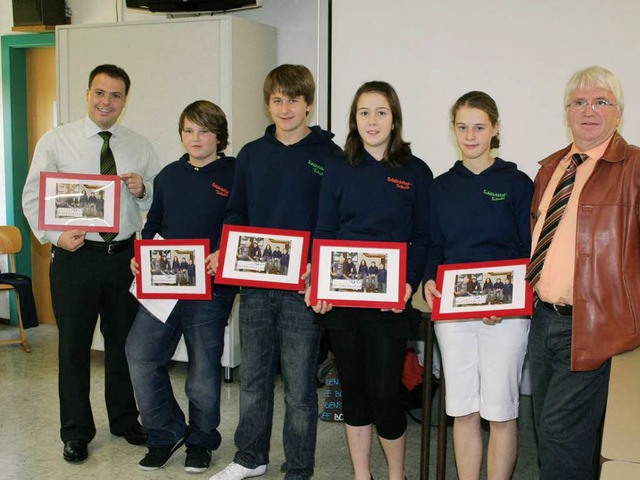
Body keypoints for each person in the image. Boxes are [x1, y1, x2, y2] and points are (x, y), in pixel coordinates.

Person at [21, 64, 161, 463]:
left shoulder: (139, 145)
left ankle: (123, 419)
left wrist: (143, 190)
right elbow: (33, 198)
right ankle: (76, 431)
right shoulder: (56, 141)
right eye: (100, 93)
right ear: (87, 94)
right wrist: (54, 237)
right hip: (75, 259)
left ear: (125, 101)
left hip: (124, 259)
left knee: (123, 345)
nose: (106, 102)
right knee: (74, 348)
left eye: (115, 95)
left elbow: (157, 203)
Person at [209, 64, 339, 480]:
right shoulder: (250, 154)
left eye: (294, 99)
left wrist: (316, 264)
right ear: (268, 103)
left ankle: (298, 468)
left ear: (309, 103)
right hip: (255, 284)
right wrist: (225, 252)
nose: (285, 108)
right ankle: (250, 457)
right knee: (253, 380)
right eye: (277, 100)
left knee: (300, 389)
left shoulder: (329, 156)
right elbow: (236, 213)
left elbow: (332, 220)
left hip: (302, 287)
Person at [310, 80, 432, 480]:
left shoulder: (415, 171)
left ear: (394, 118)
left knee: (385, 393)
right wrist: (321, 285)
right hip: (342, 303)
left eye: (381, 111)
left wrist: (408, 285)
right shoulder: (338, 167)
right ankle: (363, 475)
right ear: (354, 119)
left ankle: (396, 474)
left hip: (390, 303)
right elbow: (325, 229)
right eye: (364, 112)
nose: (372, 120)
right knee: (353, 392)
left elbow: (422, 236)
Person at [527, 66, 640, 480]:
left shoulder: (634, 169)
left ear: (619, 113)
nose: (588, 110)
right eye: (579, 102)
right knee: (548, 432)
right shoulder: (552, 167)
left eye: (600, 101)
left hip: (595, 327)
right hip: (543, 321)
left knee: (560, 436)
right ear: (567, 112)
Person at [423, 91, 532, 480]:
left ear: (495, 129)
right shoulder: (439, 187)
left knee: (500, 411)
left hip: (504, 316)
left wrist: (505, 302)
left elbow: (527, 249)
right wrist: (430, 280)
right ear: (453, 130)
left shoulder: (517, 183)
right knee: (463, 409)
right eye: (462, 127)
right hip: (453, 317)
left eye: (479, 127)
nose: (470, 136)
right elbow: (434, 247)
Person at [125, 100, 237, 474]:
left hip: (211, 289)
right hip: (164, 284)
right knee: (140, 355)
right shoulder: (170, 175)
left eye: (204, 131)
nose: (196, 138)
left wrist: (225, 251)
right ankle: (165, 432)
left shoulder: (235, 173)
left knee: (203, 373)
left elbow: (245, 224)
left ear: (218, 135)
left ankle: (201, 439)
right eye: (189, 130)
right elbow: (154, 223)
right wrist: (141, 256)